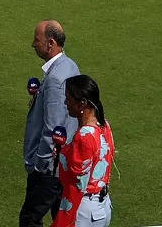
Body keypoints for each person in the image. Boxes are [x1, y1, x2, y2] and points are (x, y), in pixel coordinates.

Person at [22, 20, 80, 227]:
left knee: (30, 219)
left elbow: (53, 127)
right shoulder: (70, 65)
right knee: (61, 218)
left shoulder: (55, 78)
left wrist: (39, 164)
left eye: (37, 40)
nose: (33, 44)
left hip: (49, 169)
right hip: (63, 163)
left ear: (50, 43)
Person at [53, 75, 114, 227]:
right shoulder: (104, 126)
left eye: (69, 98)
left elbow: (77, 185)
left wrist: (63, 220)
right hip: (102, 206)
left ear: (82, 103)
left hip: (84, 211)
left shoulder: (84, 136)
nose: (66, 103)